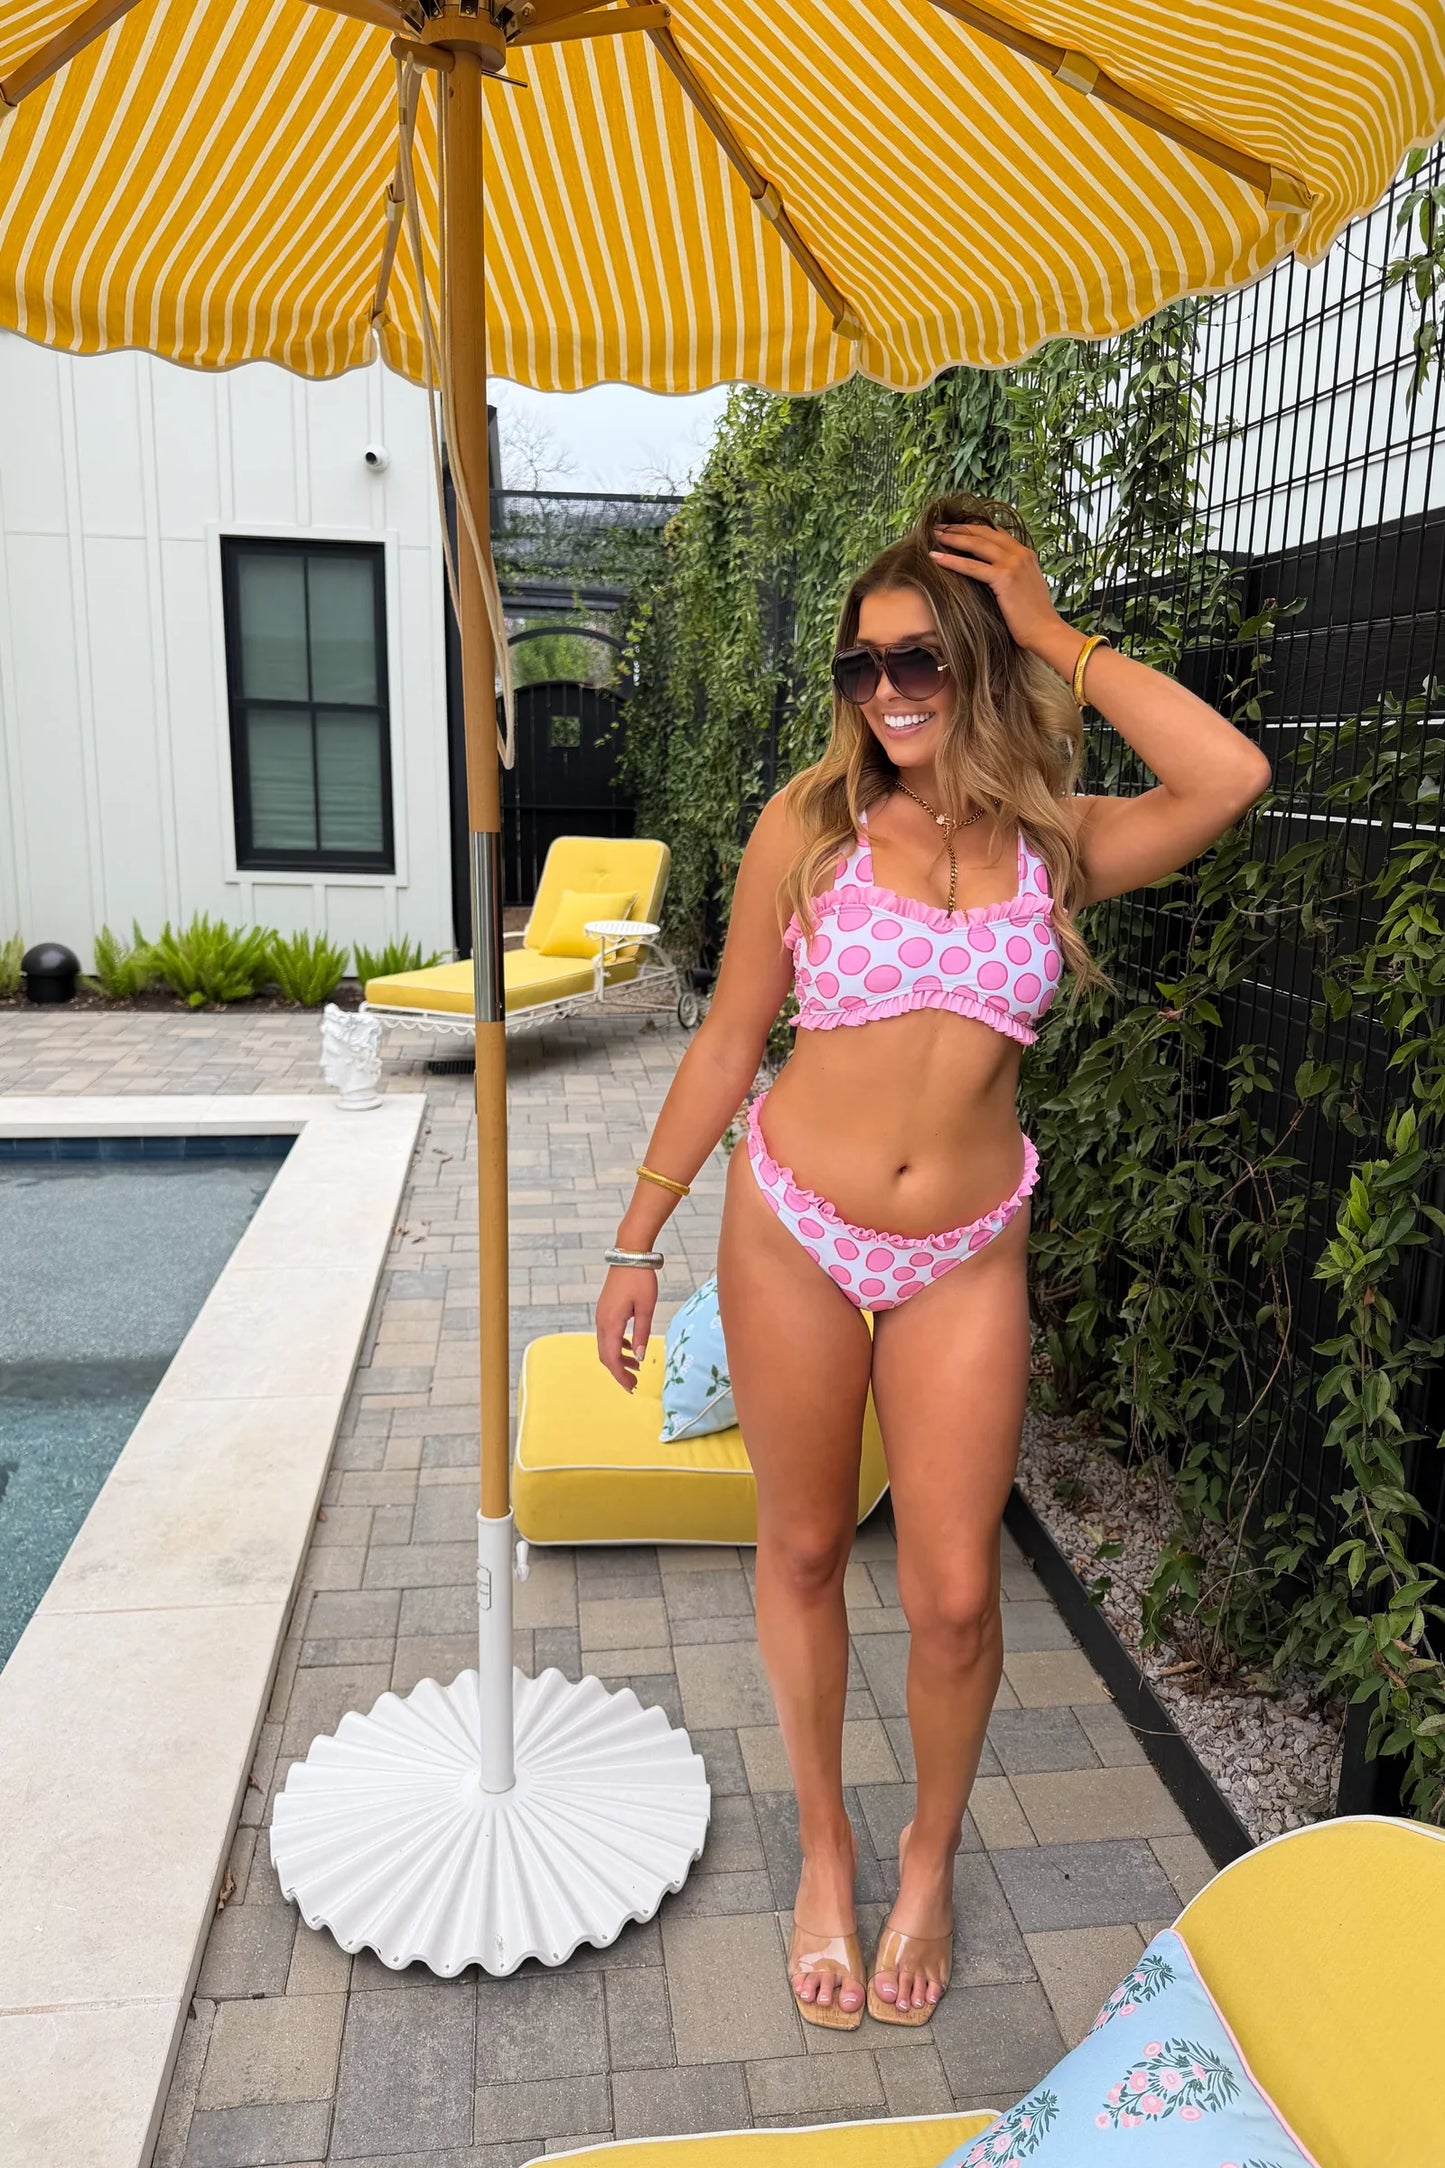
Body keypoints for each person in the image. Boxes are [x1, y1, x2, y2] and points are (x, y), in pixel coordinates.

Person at [594, 492, 1271, 2030]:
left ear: (975, 660)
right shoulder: (810, 829)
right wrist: (637, 1236)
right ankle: (824, 1849)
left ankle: (925, 1854)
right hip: (792, 1228)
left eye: (921, 661)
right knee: (811, 1548)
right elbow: (725, 1038)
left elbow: (1227, 773)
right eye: (861, 669)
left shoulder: (1057, 848)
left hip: (966, 1250)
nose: (887, 693)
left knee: (958, 1598)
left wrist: (1052, 631)